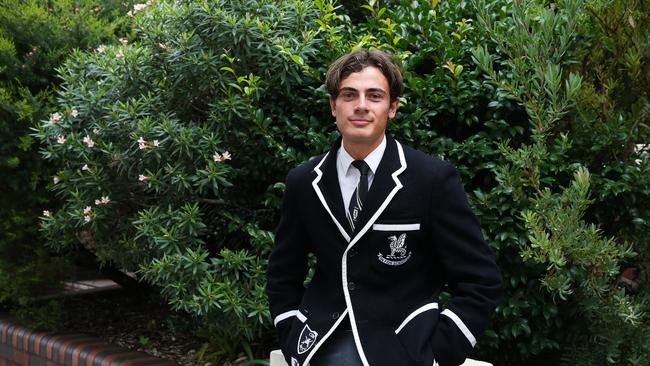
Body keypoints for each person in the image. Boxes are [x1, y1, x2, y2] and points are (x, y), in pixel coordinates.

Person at [266, 49, 502, 366]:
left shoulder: (431, 180)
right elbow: (283, 274)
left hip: (402, 344)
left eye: (374, 96)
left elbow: (481, 279)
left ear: (392, 107)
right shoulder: (303, 182)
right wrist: (291, 331)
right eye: (349, 95)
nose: (361, 106)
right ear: (333, 106)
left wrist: (441, 351)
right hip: (320, 340)